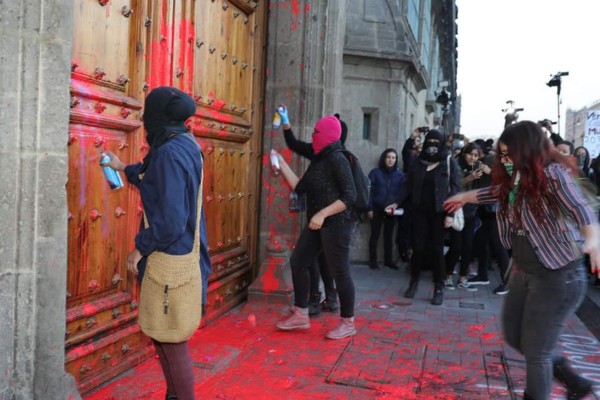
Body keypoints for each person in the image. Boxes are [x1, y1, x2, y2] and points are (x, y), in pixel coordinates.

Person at [444, 120, 600, 400]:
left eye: (508, 154)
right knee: (516, 336)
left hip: (558, 275)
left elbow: (581, 209)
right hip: (525, 270)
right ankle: (573, 380)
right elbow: (497, 193)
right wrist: (465, 196)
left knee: (536, 350)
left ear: (526, 150)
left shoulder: (552, 174)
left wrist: (593, 239)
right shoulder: (515, 177)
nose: (503, 160)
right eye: (501, 154)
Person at [104, 87, 206, 400]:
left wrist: (141, 246)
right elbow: (155, 175)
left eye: (147, 113)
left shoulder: (170, 152)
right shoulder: (183, 142)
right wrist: (125, 169)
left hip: (170, 256)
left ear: (157, 117)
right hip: (183, 250)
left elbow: (172, 222)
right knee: (164, 337)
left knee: (171, 340)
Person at [274, 113, 358, 340]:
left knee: (339, 271)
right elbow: (300, 188)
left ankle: (348, 322)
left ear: (327, 135)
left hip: (337, 224)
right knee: (299, 261)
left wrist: (322, 214)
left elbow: (350, 196)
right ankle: (301, 314)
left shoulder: (338, 158)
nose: (313, 136)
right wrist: (281, 165)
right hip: (316, 222)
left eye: (316, 132)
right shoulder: (319, 157)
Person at [386, 129, 461, 306]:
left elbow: (455, 190)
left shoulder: (448, 162)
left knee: (437, 250)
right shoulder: (417, 163)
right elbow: (407, 186)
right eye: (430, 142)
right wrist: (396, 203)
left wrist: (450, 214)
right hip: (419, 212)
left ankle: (439, 287)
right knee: (418, 248)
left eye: (437, 142)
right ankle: (414, 282)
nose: (433, 146)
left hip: (439, 213)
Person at [443, 143, 483, 291]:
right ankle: (447, 276)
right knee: (456, 246)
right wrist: (469, 178)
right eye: (470, 154)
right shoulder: (456, 165)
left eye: (476, 155)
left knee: (467, 247)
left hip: (471, 212)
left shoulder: (477, 167)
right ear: (464, 153)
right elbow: (455, 185)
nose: (472, 158)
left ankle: (462, 278)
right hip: (457, 211)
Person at [367, 148, 405, 270]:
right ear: (384, 158)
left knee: (389, 236)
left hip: (391, 210)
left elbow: (402, 193)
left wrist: (397, 206)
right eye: (388, 157)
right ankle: (372, 261)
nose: (391, 160)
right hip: (377, 208)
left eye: (393, 158)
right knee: (374, 235)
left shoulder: (400, 175)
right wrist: (369, 208)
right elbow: (369, 191)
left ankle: (388, 260)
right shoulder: (375, 172)